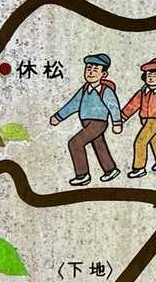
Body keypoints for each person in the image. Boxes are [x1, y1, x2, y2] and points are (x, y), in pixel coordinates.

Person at [50, 53, 124, 186]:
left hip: (98, 123)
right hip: (86, 122)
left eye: (95, 70)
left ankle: (82, 175)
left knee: (75, 143)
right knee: (99, 144)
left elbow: (113, 106)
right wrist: (59, 116)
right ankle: (110, 169)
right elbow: (73, 104)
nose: (90, 72)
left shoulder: (105, 91)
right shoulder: (84, 89)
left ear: (104, 74)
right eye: (88, 68)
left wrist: (117, 123)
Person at [122, 56, 156, 178]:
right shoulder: (143, 92)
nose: (151, 77)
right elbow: (133, 104)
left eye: (154, 75)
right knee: (154, 139)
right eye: (149, 74)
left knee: (140, 141)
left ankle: (139, 168)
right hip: (144, 119)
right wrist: (123, 116)